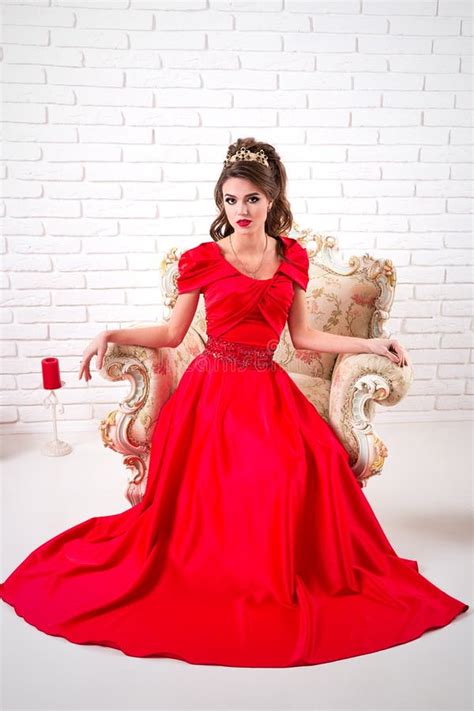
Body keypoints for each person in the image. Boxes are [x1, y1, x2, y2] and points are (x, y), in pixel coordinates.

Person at [0, 138, 469, 668]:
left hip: (265, 386)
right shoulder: (201, 259)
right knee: (237, 483)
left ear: (272, 200)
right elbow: (174, 333)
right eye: (230, 200)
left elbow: (305, 335)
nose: (240, 211)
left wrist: (369, 343)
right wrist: (109, 330)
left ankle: (293, 568)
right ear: (219, 204)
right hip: (210, 393)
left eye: (251, 200)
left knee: (303, 462)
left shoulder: (291, 256)